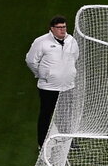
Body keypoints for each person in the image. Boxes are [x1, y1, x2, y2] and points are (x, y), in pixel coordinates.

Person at [25, 15, 80, 147]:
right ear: (52, 29)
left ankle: (67, 141)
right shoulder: (41, 42)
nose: (62, 30)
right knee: (46, 115)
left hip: (67, 86)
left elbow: (75, 57)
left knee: (66, 115)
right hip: (48, 87)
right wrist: (43, 74)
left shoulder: (71, 40)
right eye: (59, 27)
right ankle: (42, 143)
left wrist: (69, 73)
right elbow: (31, 60)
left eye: (64, 27)